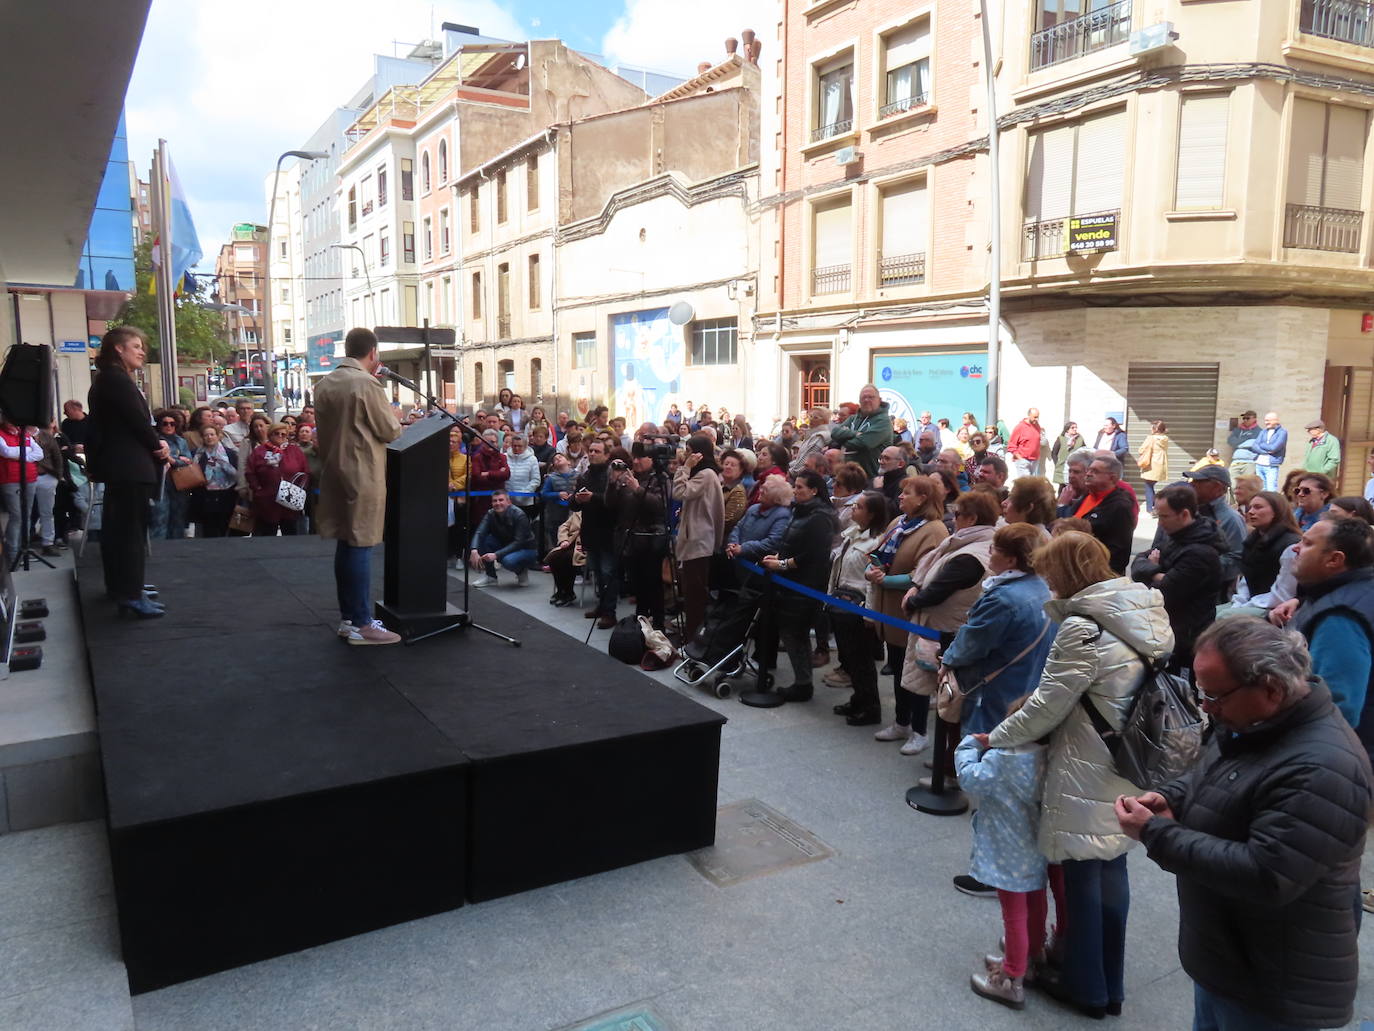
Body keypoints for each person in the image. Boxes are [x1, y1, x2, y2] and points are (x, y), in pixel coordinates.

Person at [1117, 618, 1373, 1031]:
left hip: (1271, 982)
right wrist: (1174, 797)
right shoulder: (1253, 722)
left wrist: (1157, 832)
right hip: (1231, 960)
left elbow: (1266, 874)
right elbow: (1213, 773)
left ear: (1271, 688)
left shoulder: (1324, 767)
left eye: (1215, 695)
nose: (1205, 707)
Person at [986, 531, 1172, 1020]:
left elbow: (1047, 705)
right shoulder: (1142, 611)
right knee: (1112, 861)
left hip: (1087, 760)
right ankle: (1109, 983)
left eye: (1050, 575)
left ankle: (1085, 984)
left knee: (1083, 869)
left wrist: (997, 737)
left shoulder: (1083, 627)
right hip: (1130, 756)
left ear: (1066, 574)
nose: (1046, 585)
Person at [957, 705, 1051, 1010]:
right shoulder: (1047, 754)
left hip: (1007, 850)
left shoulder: (1002, 759)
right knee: (1036, 902)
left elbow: (970, 778)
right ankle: (1031, 955)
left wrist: (969, 744)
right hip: (1036, 845)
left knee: (1013, 914)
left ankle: (1011, 978)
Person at [313, 327, 402, 645]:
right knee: (361, 544)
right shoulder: (367, 384)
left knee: (346, 543)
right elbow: (389, 430)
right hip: (363, 472)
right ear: (373, 353)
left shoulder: (326, 383)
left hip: (335, 472)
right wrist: (396, 414)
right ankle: (363, 624)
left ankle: (349, 619)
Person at [897, 489, 999, 757]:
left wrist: (914, 600)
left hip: (944, 628)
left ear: (972, 518)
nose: (953, 520)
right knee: (927, 682)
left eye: (958, 515)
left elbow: (939, 588)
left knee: (939, 689)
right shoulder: (964, 544)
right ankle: (921, 735)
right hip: (942, 624)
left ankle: (938, 751)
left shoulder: (970, 555)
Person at [85, 326, 169, 618]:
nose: (142, 351)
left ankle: (123, 586)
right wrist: (158, 446)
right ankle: (130, 594)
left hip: (121, 466)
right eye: (135, 345)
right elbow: (137, 421)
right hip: (130, 466)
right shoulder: (116, 380)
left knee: (119, 531)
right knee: (130, 533)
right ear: (118, 349)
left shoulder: (108, 379)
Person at [941, 523, 1054, 737]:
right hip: (1028, 684)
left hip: (993, 688)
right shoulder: (1043, 588)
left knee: (979, 747)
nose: (989, 553)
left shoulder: (1003, 599)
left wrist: (947, 661)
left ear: (1011, 560)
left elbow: (972, 642)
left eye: (994, 549)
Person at [866, 476, 950, 748]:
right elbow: (880, 553)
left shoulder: (935, 531)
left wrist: (887, 581)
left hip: (911, 612)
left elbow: (925, 574)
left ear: (923, 498)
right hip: (889, 609)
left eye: (907, 492)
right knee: (899, 664)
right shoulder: (898, 523)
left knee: (917, 672)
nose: (900, 497)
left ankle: (919, 731)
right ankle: (901, 723)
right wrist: (875, 569)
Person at [1289, 515, 1374, 758]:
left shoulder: (1340, 617)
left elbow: (1337, 706)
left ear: (1335, 559)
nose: (1296, 547)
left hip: (1338, 758)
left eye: (1307, 543)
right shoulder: (1354, 593)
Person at [757, 469, 837, 702]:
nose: (795, 490)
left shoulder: (820, 517)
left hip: (805, 584)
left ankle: (803, 684)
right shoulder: (800, 512)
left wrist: (781, 564)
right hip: (790, 582)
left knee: (796, 633)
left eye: (800, 487)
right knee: (791, 633)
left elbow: (813, 555)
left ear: (814, 490)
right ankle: (802, 681)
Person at [1130, 484, 1224, 672]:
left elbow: (1164, 591)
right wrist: (1157, 571)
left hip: (1185, 638)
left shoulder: (1201, 552)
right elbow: (1137, 564)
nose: (1160, 523)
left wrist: (1153, 571)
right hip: (1165, 628)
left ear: (1184, 515)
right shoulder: (1175, 536)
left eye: (1164, 516)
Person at [828, 490, 889, 726]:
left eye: (860, 507)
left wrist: (870, 613)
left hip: (860, 606)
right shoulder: (852, 534)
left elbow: (872, 581)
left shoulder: (877, 542)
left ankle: (870, 706)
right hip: (841, 600)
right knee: (850, 658)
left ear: (873, 514)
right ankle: (858, 698)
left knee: (862, 660)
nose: (854, 509)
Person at [611, 443, 671, 631]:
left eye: (641, 457)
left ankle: (658, 624)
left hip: (652, 540)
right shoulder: (630, 476)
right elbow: (612, 504)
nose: (636, 461)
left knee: (653, 584)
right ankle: (640, 621)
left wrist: (637, 489)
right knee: (637, 585)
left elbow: (660, 506)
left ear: (652, 459)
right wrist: (613, 484)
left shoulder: (661, 479)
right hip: (631, 540)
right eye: (634, 457)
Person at [673, 434, 725, 646]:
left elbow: (678, 491)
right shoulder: (704, 474)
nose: (686, 454)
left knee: (695, 593)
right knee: (690, 590)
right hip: (695, 538)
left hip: (699, 541)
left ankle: (694, 637)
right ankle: (690, 632)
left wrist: (684, 467)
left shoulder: (706, 474)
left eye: (690, 450)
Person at [1220, 490, 1301, 618]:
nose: (1251, 512)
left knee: (1223, 617)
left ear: (1276, 512)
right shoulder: (1252, 541)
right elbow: (1246, 581)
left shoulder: (1290, 545)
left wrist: (1246, 606)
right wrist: (1239, 604)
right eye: (1250, 507)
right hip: (1252, 603)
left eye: (1258, 507)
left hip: (1275, 608)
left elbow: (1283, 593)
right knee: (1208, 614)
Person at [572, 440, 617, 628]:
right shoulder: (585, 476)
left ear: (607, 455)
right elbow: (574, 506)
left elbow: (614, 503)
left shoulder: (612, 476)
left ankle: (610, 612)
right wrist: (576, 499)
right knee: (597, 572)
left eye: (597, 451)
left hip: (608, 531)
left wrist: (593, 498)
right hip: (590, 530)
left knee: (608, 573)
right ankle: (601, 605)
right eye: (590, 450)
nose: (592, 454)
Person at [246, 423, 309, 537]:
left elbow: (305, 472)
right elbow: (250, 472)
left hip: (290, 500)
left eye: (283, 434)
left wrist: (300, 489)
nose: (280, 436)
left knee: (290, 533)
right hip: (267, 500)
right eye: (276, 433)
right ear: (270, 435)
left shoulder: (295, 451)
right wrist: (258, 489)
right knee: (266, 534)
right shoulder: (260, 451)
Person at [1075, 454, 1136, 573]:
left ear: (1112, 478)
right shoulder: (1086, 496)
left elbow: (1120, 551)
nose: (1088, 474)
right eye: (1088, 470)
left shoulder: (1120, 506)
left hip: (1096, 573)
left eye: (1095, 471)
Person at [468, 489, 538, 586]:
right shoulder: (490, 514)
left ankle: (521, 571)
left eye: (501, 500)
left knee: (508, 561)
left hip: (526, 549)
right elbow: (479, 532)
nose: (498, 503)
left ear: (509, 502)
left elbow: (518, 542)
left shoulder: (519, 515)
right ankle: (490, 576)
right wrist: (474, 550)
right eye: (494, 501)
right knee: (485, 540)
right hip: (506, 543)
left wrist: (496, 555)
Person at [829, 384, 892, 477]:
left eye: (871, 397)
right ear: (859, 401)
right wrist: (855, 434)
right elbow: (834, 433)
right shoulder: (853, 419)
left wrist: (842, 440)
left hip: (870, 478)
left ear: (879, 400)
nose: (866, 400)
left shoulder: (883, 421)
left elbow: (864, 443)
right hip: (847, 476)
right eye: (864, 397)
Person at [150, 409, 193, 540]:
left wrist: (171, 459)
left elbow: (188, 461)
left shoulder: (181, 441)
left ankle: (176, 547)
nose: (168, 426)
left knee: (178, 517)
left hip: (179, 484)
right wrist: (177, 459)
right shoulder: (154, 441)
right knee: (159, 516)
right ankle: (159, 546)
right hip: (160, 483)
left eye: (172, 424)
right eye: (165, 423)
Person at [191, 425, 238, 538]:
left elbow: (236, 474)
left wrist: (222, 463)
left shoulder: (229, 453)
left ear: (218, 436)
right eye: (206, 435)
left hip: (226, 494)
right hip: (205, 495)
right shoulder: (196, 454)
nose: (209, 437)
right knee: (208, 528)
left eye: (212, 434)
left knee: (224, 526)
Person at [1135, 420, 1168, 509]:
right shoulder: (1165, 439)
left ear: (1155, 429)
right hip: (1161, 465)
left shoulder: (1151, 438)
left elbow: (1141, 450)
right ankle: (1154, 506)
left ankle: (1150, 508)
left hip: (1151, 465)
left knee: (1148, 486)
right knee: (1151, 485)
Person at [1253, 411, 1288, 491]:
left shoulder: (1282, 432)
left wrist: (1261, 444)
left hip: (1271, 465)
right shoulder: (1263, 431)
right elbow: (1254, 445)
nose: (1266, 422)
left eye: (1269, 420)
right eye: (1265, 420)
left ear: (1276, 421)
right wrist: (1265, 451)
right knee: (1261, 489)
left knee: (1271, 488)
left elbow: (1274, 448)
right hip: (1259, 463)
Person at [1006, 408, 1043, 481]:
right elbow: (1011, 445)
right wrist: (1020, 458)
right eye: (1035, 417)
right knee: (1026, 484)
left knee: (1032, 484)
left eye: (1037, 417)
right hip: (1023, 460)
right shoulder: (1020, 427)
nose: (1037, 419)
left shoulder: (1037, 426)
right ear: (1029, 415)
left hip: (1034, 460)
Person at [1226, 409, 1261, 480]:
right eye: (1244, 418)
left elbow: (1253, 443)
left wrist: (1238, 444)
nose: (1245, 420)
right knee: (1231, 483)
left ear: (1254, 419)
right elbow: (1230, 441)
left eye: (1247, 418)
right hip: (1236, 461)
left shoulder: (1258, 431)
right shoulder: (1238, 430)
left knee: (1246, 483)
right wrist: (1246, 440)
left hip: (1249, 462)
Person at [1050, 421, 1084, 488]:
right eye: (1072, 428)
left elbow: (1084, 450)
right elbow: (1054, 453)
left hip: (1074, 466)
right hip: (1062, 466)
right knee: (1062, 487)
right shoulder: (1061, 438)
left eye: (1076, 427)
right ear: (1067, 429)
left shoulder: (1080, 438)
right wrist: (1057, 463)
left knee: (1073, 487)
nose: (1075, 429)